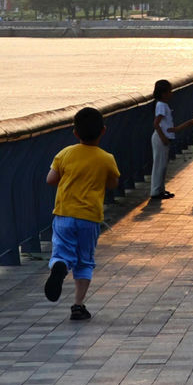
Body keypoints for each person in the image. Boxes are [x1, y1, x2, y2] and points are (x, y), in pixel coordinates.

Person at [44, 107, 120, 320]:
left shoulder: (65, 153)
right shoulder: (106, 158)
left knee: (61, 252)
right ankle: (78, 305)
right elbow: (113, 183)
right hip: (89, 217)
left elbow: (50, 179)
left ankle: (59, 265)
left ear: (75, 132)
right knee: (84, 260)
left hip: (64, 214)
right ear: (103, 131)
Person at [150, 79, 175, 200]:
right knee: (159, 165)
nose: (171, 93)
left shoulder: (163, 105)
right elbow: (156, 123)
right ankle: (156, 191)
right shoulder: (161, 106)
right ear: (164, 93)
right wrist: (163, 137)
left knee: (163, 165)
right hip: (161, 138)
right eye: (170, 91)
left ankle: (161, 189)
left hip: (163, 138)